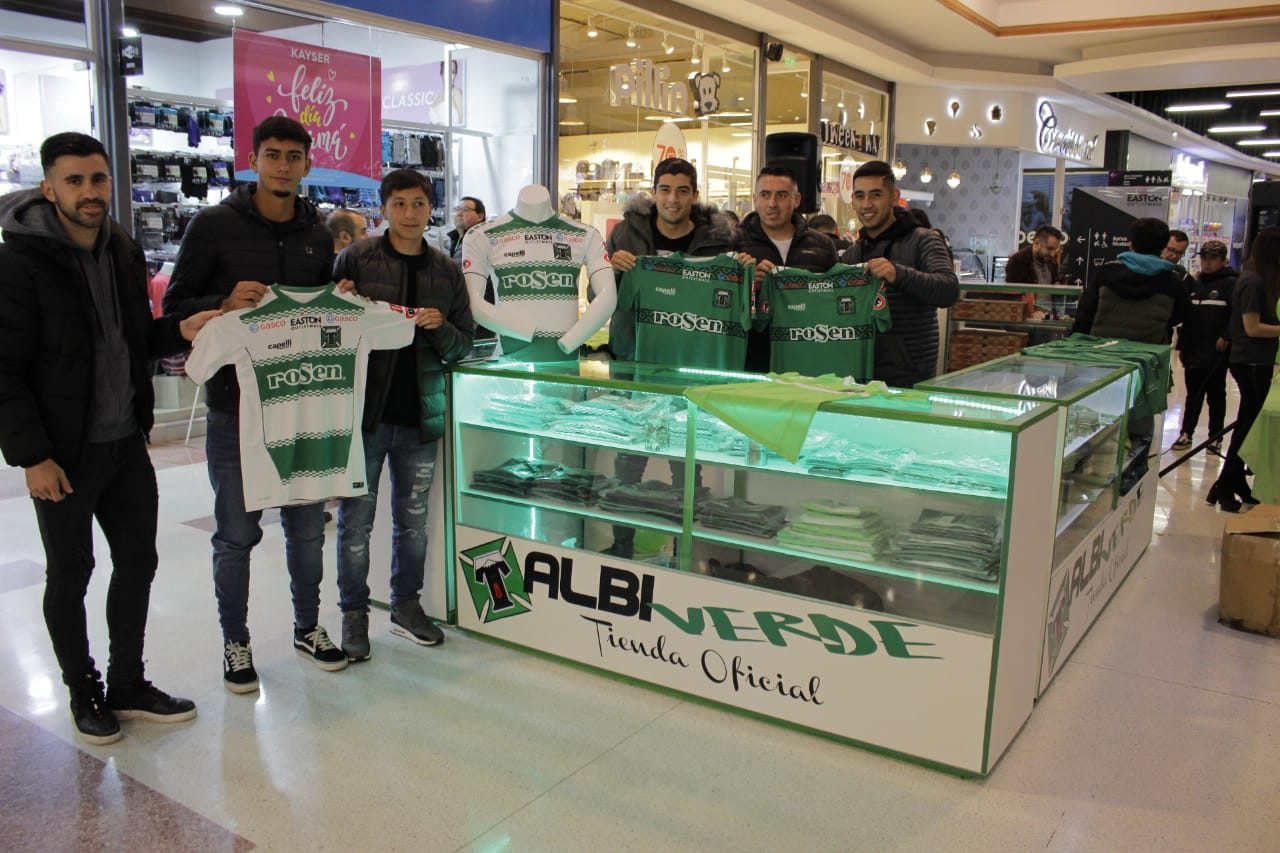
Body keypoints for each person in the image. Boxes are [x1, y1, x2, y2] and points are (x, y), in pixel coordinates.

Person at [0, 132, 217, 744]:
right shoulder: (17, 263)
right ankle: (83, 690)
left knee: (138, 563)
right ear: (49, 189)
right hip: (63, 455)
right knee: (70, 573)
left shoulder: (121, 249)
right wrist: (33, 457)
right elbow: (5, 369)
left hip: (125, 444)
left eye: (97, 178)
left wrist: (181, 329)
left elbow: (134, 338)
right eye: (74, 181)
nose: (89, 191)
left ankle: (127, 682)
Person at [163, 116, 344, 693]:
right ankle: (235, 640)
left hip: (304, 405)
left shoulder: (319, 233)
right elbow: (174, 309)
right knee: (237, 534)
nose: (283, 166)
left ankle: (308, 626)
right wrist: (222, 302)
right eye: (273, 155)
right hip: (235, 409)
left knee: (308, 531)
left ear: (308, 163)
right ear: (254, 160)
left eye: (293, 156)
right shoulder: (213, 225)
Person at [332, 170, 474, 660]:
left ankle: (406, 607)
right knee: (355, 523)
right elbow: (326, 328)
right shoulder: (356, 259)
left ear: (430, 209)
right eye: (399, 203)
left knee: (413, 523)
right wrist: (341, 304)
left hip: (420, 416)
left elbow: (464, 346)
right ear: (384, 208)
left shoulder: (447, 271)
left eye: (418, 204)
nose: (410, 213)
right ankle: (353, 615)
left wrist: (439, 329)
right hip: (364, 417)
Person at [602, 157, 735, 559]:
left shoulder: (716, 242)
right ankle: (622, 545)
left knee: (686, 459)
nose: (672, 199)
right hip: (634, 357)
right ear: (654, 192)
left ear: (694, 195)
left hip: (688, 362)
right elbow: (601, 298)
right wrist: (613, 272)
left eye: (682, 191)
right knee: (629, 454)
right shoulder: (626, 233)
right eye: (665, 190)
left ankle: (683, 548)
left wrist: (743, 269)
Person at [842, 159, 959, 387]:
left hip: (909, 379)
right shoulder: (853, 252)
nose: (867, 204)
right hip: (859, 376)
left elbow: (948, 290)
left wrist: (898, 274)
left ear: (894, 197)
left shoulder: (924, 240)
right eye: (859, 196)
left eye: (876, 195)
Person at [735, 165, 839, 372]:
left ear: (796, 200)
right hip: (754, 360)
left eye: (781, 195)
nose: (772, 203)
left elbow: (834, 302)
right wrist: (748, 285)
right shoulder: (734, 243)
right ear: (755, 199)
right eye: (765, 195)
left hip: (809, 357)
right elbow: (721, 305)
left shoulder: (822, 245)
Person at [1207, 227, 1280, 512]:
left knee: (1248, 424)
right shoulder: (1252, 281)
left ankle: (1233, 481)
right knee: (1247, 425)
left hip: (1257, 361)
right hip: (1250, 361)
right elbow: (1252, 327)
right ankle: (1225, 484)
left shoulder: (1258, 279)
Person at [1071, 217, 1188, 346]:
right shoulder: (1173, 281)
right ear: (1162, 247)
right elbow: (1180, 315)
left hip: (1102, 349)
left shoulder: (1105, 273)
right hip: (1149, 351)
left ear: (1131, 244)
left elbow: (1085, 315)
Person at [1172, 240, 1235, 452]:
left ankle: (1215, 437)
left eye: (1213, 259)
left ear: (1223, 260)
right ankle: (1186, 433)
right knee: (1193, 395)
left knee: (1216, 395)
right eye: (1204, 258)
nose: (1207, 263)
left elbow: (1236, 315)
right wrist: (1182, 346)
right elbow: (1187, 318)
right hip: (1193, 349)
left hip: (1216, 351)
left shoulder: (1231, 284)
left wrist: (1226, 335)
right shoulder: (1195, 284)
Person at [447, 195, 485, 263]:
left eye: (465, 210)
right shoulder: (452, 238)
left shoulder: (481, 241)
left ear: (480, 216)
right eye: (457, 209)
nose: (459, 214)